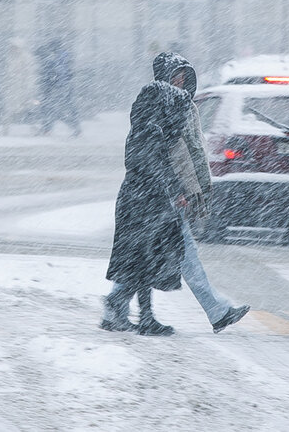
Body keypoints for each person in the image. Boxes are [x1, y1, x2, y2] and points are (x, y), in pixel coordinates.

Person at [102, 52, 249, 336]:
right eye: (175, 77)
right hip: (153, 198)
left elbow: (182, 154)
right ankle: (213, 311)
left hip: (156, 197)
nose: (181, 83)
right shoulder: (159, 115)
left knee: (146, 257)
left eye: (184, 77)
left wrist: (190, 189)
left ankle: (120, 307)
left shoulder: (172, 110)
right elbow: (160, 158)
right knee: (171, 255)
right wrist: (178, 190)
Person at [34, 39, 80, 137]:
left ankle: (48, 129)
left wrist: (50, 84)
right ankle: (75, 127)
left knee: (52, 108)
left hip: (58, 87)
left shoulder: (56, 58)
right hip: (64, 85)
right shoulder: (63, 56)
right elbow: (68, 72)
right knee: (66, 107)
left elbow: (55, 73)